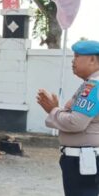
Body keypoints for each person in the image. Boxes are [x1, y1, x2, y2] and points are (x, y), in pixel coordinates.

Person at [37, 40, 99, 196]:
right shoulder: (90, 85)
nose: (73, 60)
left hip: (83, 161)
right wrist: (58, 111)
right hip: (84, 158)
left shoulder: (93, 86)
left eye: (77, 56)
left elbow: (76, 122)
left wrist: (54, 110)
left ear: (92, 59)